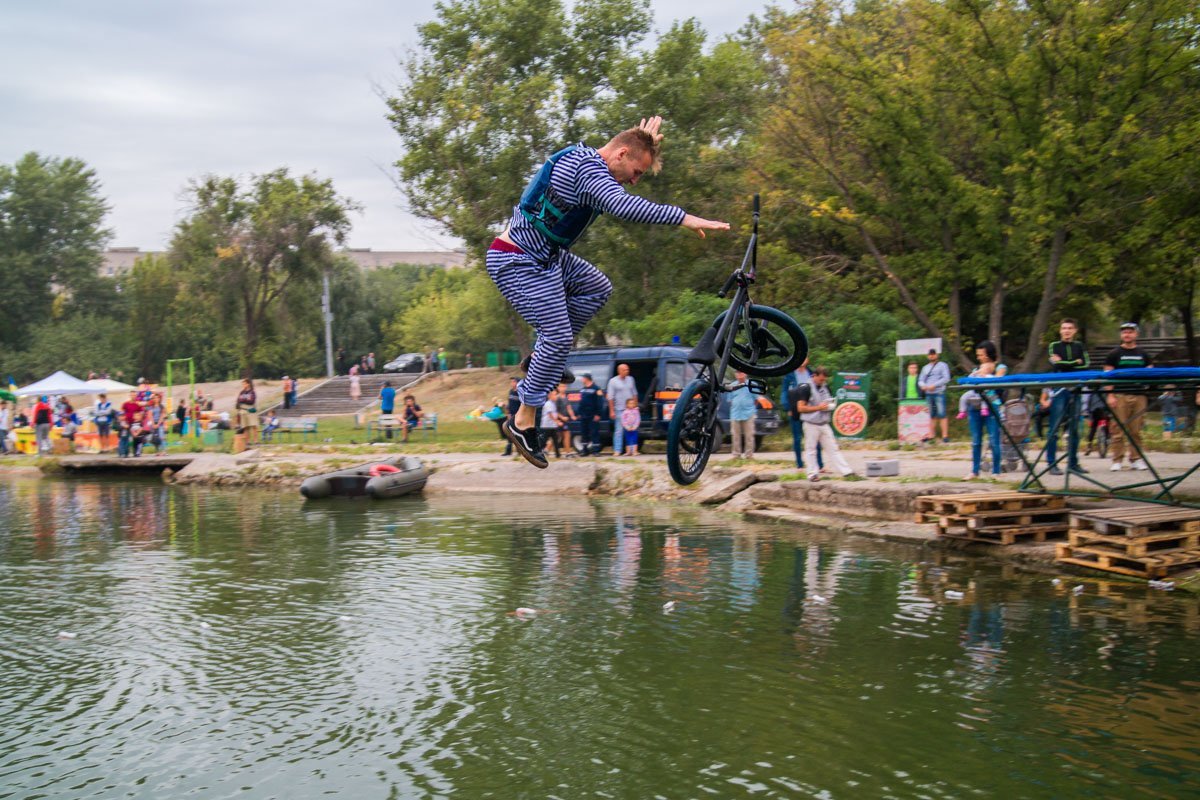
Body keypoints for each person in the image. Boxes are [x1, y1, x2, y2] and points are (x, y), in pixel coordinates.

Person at [489, 115, 729, 468]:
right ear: (619, 155)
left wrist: (644, 142)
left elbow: (628, 156)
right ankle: (523, 419)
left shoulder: (594, 158)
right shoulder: (588, 172)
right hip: (517, 260)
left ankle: (545, 361)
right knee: (556, 336)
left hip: (547, 257)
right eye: (637, 172)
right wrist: (684, 218)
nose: (635, 181)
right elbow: (626, 207)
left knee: (596, 286)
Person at [1103, 322, 1153, 470]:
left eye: (1130, 332)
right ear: (1121, 335)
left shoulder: (1143, 354)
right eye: (1124, 332)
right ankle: (1117, 460)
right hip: (1120, 395)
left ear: (1136, 334)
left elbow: (1151, 372)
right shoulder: (1114, 354)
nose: (1127, 334)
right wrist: (1110, 395)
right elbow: (1108, 376)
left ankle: (1136, 458)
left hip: (1139, 395)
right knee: (1117, 429)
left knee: (1136, 430)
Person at [792, 367, 855, 481]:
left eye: (824, 380)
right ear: (814, 376)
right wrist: (818, 407)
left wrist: (830, 406)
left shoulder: (825, 387)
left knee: (833, 448)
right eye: (821, 379)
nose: (823, 382)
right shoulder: (806, 388)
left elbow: (828, 401)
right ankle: (812, 474)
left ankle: (847, 472)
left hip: (824, 423)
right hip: (811, 423)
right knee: (811, 449)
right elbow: (800, 408)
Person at [1045, 317, 1089, 475]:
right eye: (1064, 328)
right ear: (1060, 330)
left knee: (1075, 428)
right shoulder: (1054, 346)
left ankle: (1073, 463)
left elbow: (1085, 364)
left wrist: (1065, 362)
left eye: (1070, 328)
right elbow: (1055, 364)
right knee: (1054, 427)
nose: (1067, 331)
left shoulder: (1079, 346)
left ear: (1075, 330)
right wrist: (1074, 362)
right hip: (1059, 388)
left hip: (1075, 388)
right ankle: (1051, 463)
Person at [963, 340, 1004, 480]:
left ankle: (996, 471)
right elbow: (971, 382)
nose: (978, 357)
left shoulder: (1000, 367)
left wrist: (985, 374)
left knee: (994, 439)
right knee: (976, 440)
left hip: (992, 406)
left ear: (987, 355)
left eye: (980, 355)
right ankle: (974, 471)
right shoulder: (977, 370)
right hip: (975, 407)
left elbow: (999, 382)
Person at [782, 358, 823, 471]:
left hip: (809, 409)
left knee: (814, 438)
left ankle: (819, 465)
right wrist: (787, 407)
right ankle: (800, 464)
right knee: (797, 438)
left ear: (807, 360)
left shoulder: (811, 374)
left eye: (804, 358)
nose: (801, 360)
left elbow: (818, 390)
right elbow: (784, 391)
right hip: (795, 408)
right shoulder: (789, 375)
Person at [918, 348, 951, 443]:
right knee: (931, 415)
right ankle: (931, 435)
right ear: (928, 356)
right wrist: (923, 386)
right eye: (930, 354)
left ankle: (945, 436)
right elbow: (920, 380)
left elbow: (946, 378)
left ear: (937, 355)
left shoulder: (943, 365)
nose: (932, 356)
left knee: (942, 414)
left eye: (933, 354)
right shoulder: (925, 368)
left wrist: (935, 385)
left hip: (939, 392)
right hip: (929, 393)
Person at [606, 363, 638, 455]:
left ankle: (632, 450)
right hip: (619, 409)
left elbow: (634, 393)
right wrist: (611, 410)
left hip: (631, 409)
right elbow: (610, 397)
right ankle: (617, 450)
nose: (627, 371)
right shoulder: (613, 381)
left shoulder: (631, 379)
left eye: (628, 369)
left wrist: (635, 407)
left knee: (631, 429)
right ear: (619, 371)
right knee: (619, 430)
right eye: (625, 370)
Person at [728, 370, 758, 459]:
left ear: (745, 374)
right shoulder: (732, 385)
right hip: (735, 413)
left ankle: (749, 455)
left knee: (749, 435)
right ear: (735, 374)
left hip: (748, 413)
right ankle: (736, 455)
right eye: (737, 373)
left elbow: (756, 400)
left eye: (741, 372)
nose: (740, 375)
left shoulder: (752, 385)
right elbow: (730, 400)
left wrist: (750, 407)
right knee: (735, 435)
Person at [575, 373, 604, 456]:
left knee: (594, 432)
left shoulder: (597, 389)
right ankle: (585, 450)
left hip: (593, 415)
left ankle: (596, 451)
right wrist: (579, 413)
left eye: (582, 378)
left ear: (587, 379)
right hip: (584, 415)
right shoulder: (583, 389)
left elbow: (600, 402)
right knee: (584, 433)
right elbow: (581, 402)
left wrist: (598, 414)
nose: (581, 380)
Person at [540, 390, 562, 459]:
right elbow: (550, 415)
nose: (556, 396)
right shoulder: (548, 404)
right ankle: (538, 452)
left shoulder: (553, 403)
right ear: (549, 396)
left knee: (555, 439)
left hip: (552, 425)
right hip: (546, 426)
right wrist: (557, 421)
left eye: (556, 395)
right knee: (544, 440)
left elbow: (554, 414)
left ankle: (558, 454)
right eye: (554, 395)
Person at [236, 379, 259, 445]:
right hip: (243, 411)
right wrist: (244, 399)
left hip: (251, 410)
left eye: (244, 384)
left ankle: (255, 441)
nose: (243, 385)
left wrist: (243, 399)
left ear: (248, 384)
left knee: (254, 426)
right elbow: (238, 401)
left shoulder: (252, 392)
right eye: (243, 384)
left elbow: (251, 401)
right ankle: (247, 441)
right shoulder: (241, 392)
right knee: (246, 427)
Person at [502, 377, 520, 456]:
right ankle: (508, 451)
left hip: (518, 416)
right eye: (511, 382)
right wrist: (508, 413)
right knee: (509, 433)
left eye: (514, 382)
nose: (512, 383)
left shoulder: (520, 392)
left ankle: (519, 451)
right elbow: (510, 404)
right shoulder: (511, 392)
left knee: (518, 434)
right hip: (511, 416)